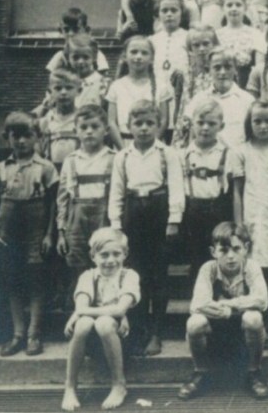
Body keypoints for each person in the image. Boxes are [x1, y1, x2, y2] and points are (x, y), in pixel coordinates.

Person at [108, 100, 185, 356]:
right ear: (128, 126)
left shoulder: (167, 153)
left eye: (149, 123)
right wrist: (116, 225)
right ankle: (137, 329)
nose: (143, 129)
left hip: (158, 212)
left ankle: (156, 331)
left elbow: (176, 186)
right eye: (138, 124)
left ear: (158, 125)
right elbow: (117, 191)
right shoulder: (122, 156)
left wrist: (174, 220)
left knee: (158, 275)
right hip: (133, 214)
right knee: (135, 274)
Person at [0, 112, 59, 357]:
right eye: (15, 136)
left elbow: (53, 204)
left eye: (27, 135)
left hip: (36, 231)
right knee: (13, 284)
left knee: (36, 283)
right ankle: (17, 334)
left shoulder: (45, 168)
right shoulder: (0, 169)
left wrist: (50, 234)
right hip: (8, 233)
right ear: (8, 138)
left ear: (37, 137)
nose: (21, 141)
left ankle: (33, 335)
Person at [177, 222, 268, 401]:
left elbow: (262, 300)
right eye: (224, 250)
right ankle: (200, 372)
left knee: (254, 317)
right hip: (214, 331)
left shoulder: (251, 267)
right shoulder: (208, 269)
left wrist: (230, 306)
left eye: (236, 249)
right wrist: (227, 311)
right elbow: (197, 304)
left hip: (243, 332)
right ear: (213, 252)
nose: (231, 256)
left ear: (246, 249)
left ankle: (254, 372)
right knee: (194, 322)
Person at [61, 228, 139, 412]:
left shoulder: (129, 276)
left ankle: (119, 384)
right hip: (91, 340)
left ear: (125, 254)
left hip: (123, 338)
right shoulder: (87, 277)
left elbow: (120, 309)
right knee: (83, 323)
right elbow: (81, 305)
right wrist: (80, 314)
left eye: (116, 254)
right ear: (93, 256)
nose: (110, 260)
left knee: (102, 322)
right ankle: (70, 386)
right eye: (104, 255)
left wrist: (79, 312)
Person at [232, 100, 268, 349]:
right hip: (251, 216)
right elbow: (237, 190)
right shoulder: (241, 151)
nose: (263, 126)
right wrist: (238, 224)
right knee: (250, 270)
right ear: (249, 123)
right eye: (257, 121)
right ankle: (249, 324)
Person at [56, 105, 116, 299]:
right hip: (76, 220)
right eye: (83, 127)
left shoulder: (114, 158)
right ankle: (80, 310)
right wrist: (61, 232)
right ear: (76, 131)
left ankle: (105, 310)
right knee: (78, 267)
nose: (89, 131)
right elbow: (62, 198)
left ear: (106, 130)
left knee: (106, 262)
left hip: (104, 218)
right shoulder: (71, 160)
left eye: (95, 126)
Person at [180, 101, 235, 282]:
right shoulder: (183, 154)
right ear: (192, 124)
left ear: (221, 126)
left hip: (218, 210)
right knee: (197, 255)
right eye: (200, 123)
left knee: (220, 253)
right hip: (192, 211)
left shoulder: (227, 153)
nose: (205, 128)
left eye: (211, 124)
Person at [105, 36, 172, 149]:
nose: (138, 57)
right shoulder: (116, 86)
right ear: (125, 56)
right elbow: (111, 122)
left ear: (152, 59)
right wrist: (123, 149)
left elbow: (164, 120)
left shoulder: (161, 86)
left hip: (153, 145)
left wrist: (151, 144)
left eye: (144, 53)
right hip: (124, 143)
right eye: (134, 52)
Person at [182, 46, 255, 149]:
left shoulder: (247, 100)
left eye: (228, 67)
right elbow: (192, 136)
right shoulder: (199, 99)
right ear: (209, 70)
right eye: (217, 67)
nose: (222, 72)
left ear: (235, 69)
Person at [149, 0, 189, 130]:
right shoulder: (152, 40)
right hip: (158, 90)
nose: (169, 14)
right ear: (158, 15)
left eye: (174, 10)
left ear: (181, 14)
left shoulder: (188, 37)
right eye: (164, 10)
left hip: (181, 91)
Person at [216, 0, 265, 89]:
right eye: (229, 5)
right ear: (222, 9)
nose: (234, 8)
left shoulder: (255, 34)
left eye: (238, 5)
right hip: (223, 82)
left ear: (245, 8)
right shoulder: (216, 35)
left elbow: (260, 65)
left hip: (248, 82)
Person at [46, 8, 110, 74]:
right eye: (66, 30)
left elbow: (104, 76)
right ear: (61, 31)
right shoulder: (60, 56)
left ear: (87, 30)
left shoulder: (95, 54)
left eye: (76, 29)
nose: (70, 33)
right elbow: (51, 78)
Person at [39, 69, 81, 171]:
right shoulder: (45, 121)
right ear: (50, 92)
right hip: (52, 173)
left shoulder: (82, 118)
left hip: (78, 171)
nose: (63, 92)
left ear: (79, 91)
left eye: (69, 88)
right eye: (58, 88)